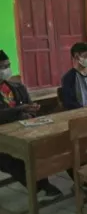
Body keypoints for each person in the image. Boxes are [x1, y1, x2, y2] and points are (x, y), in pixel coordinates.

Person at [0, 50, 63, 201]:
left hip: (24, 130)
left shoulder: (18, 87)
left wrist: (31, 111)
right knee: (15, 156)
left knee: (48, 144)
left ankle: (44, 181)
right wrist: (20, 110)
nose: (6, 70)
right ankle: (39, 187)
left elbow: (29, 106)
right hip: (3, 139)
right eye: (2, 67)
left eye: (8, 66)